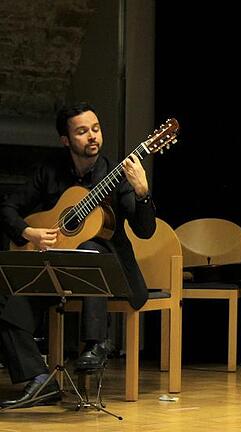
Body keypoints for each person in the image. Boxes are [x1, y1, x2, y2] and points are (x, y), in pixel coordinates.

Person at [0, 102, 156, 408]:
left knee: (87, 249)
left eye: (95, 129)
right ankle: (39, 379)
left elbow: (145, 230)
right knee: (5, 299)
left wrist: (143, 193)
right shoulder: (49, 172)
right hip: (56, 270)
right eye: (82, 132)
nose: (92, 137)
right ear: (66, 140)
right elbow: (7, 207)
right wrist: (28, 233)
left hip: (111, 273)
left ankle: (97, 344)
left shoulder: (117, 176)